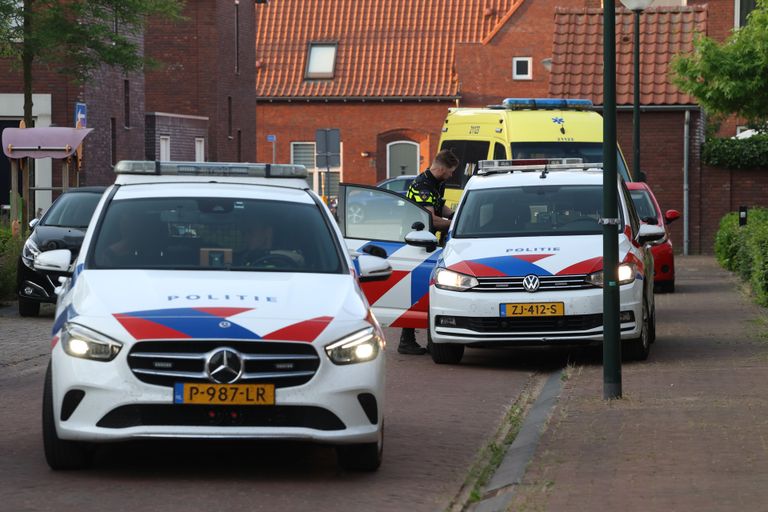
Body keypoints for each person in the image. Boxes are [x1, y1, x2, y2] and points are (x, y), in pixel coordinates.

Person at [399, 149, 460, 355]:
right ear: (441, 168)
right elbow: (431, 219)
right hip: (416, 242)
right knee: (419, 289)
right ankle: (407, 340)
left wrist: (460, 214)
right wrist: (456, 226)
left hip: (428, 242)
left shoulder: (436, 183)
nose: (451, 176)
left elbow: (440, 207)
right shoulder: (422, 186)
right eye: (450, 172)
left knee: (425, 289)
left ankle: (416, 339)